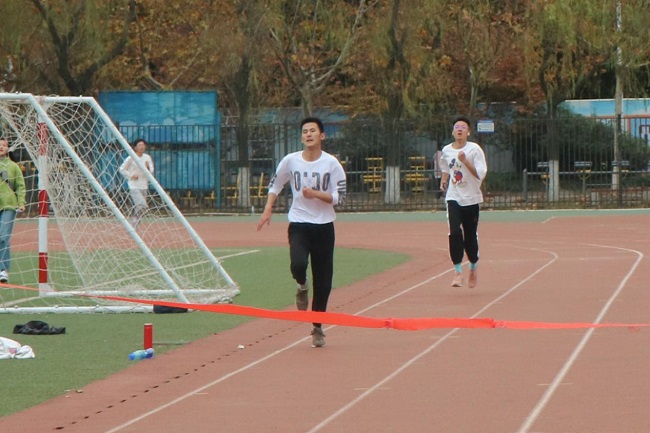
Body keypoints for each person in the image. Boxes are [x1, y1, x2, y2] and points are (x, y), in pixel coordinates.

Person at [257, 117, 346, 348]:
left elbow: (340, 198)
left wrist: (316, 194)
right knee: (297, 264)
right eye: (305, 131)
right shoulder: (291, 160)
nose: (308, 134)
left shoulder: (331, 164)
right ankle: (302, 284)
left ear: (322, 136)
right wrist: (268, 208)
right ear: (301, 137)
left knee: (323, 282)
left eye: (313, 131)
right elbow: (276, 184)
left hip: (324, 226)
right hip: (299, 223)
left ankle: (317, 327)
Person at [439, 116, 487, 288]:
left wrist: (465, 161)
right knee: (454, 233)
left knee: (470, 237)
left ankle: (472, 266)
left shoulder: (474, 150)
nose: (459, 129)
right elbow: (446, 167)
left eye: (463, 127)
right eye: (456, 127)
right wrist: (444, 179)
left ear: (468, 132)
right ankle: (458, 271)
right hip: (454, 197)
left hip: (472, 199)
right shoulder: (446, 150)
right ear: (453, 132)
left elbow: (479, 174)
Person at [0, 138, 26, 284]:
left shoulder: (13, 166)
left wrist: (21, 202)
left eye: (4, 145)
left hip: (8, 205)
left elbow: (20, 185)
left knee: (3, 236)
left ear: (7, 148)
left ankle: (3, 270)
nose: (1, 147)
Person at [119, 138, 154, 228]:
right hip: (134, 185)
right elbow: (122, 169)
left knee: (140, 207)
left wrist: (148, 169)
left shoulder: (147, 157)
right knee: (142, 204)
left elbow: (151, 170)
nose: (142, 147)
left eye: (143, 145)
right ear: (135, 147)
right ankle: (134, 221)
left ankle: (134, 223)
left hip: (144, 185)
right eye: (140, 145)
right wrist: (131, 175)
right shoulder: (131, 158)